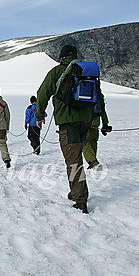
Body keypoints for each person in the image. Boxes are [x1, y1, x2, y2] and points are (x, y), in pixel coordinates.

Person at [35, 45, 94, 213]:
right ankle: (77, 191)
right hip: (85, 122)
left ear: (62, 57)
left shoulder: (58, 72)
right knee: (76, 158)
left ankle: (80, 200)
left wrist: (39, 116)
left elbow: (42, 93)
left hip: (68, 122)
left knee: (73, 161)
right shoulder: (86, 71)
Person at [82, 91, 111, 169]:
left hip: (84, 120)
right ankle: (93, 161)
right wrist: (105, 123)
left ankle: (92, 161)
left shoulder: (81, 92)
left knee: (84, 142)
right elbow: (102, 110)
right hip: (96, 121)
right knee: (93, 141)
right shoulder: (98, 93)